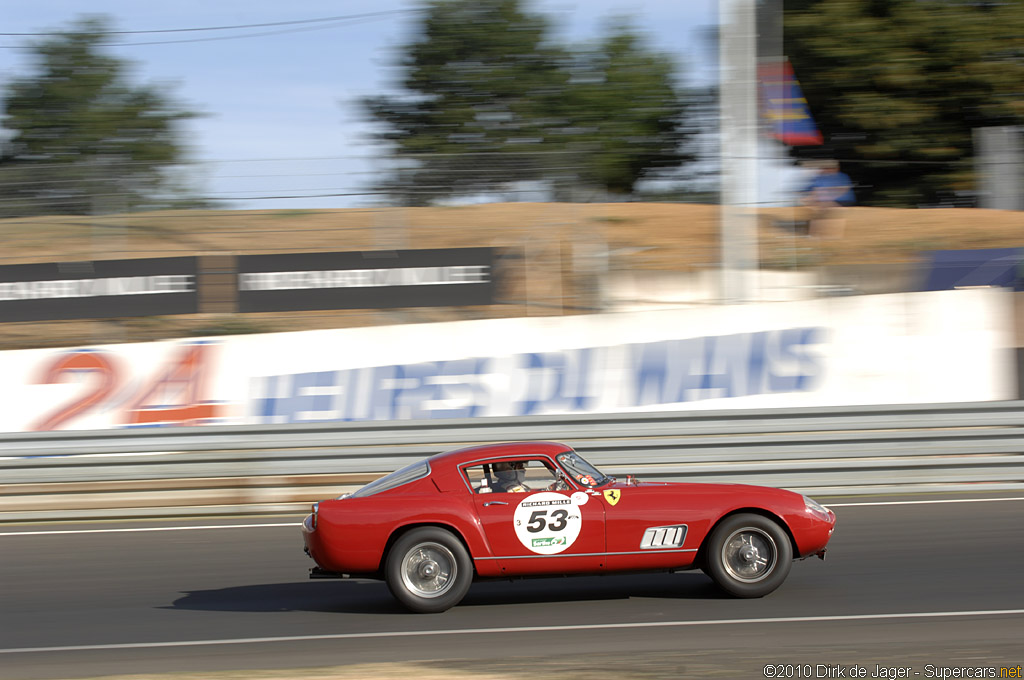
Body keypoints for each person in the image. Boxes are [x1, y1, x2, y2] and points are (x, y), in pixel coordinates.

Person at [799, 159, 855, 239]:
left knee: (823, 208)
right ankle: (815, 232)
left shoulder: (842, 177)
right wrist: (806, 199)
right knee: (815, 207)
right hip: (825, 201)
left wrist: (826, 199)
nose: (826, 169)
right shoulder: (819, 177)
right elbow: (809, 190)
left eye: (829, 168)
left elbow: (842, 191)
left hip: (842, 201)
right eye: (825, 168)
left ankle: (816, 234)